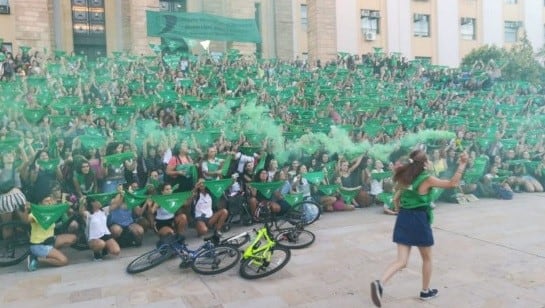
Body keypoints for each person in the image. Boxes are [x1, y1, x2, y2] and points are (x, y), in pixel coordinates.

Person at [370, 149, 468, 307]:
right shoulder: (426, 178)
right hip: (418, 219)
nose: (429, 163)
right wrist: (462, 164)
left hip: (403, 218)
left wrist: (399, 208)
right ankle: (425, 291)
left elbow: (396, 198)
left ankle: (380, 283)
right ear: (423, 163)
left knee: (401, 261)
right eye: (428, 160)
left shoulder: (405, 176)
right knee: (427, 258)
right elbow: (452, 184)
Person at [23, 194, 77, 271]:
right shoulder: (36, 214)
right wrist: (24, 210)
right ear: (40, 203)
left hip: (50, 241)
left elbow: (64, 209)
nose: (49, 203)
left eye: (50, 200)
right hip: (39, 246)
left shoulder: (51, 212)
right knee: (64, 261)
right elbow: (26, 220)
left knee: (73, 238)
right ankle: (37, 258)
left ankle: (52, 253)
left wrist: (68, 204)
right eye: (46, 201)